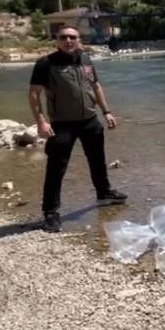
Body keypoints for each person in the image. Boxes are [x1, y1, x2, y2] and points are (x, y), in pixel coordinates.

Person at [28, 26, 127, 232]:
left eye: (72, 37)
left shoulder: (85, 59)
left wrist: (106, 111)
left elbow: (96, 86)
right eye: (63, 37)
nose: (68, 40)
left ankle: (104, 192)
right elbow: (34, 94)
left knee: (97, 159)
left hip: (89, 120)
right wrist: (41, 121)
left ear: (79, 40)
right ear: (56, 40)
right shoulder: (45, 64)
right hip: (62, 124)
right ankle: (51, 212)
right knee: (56, 168)